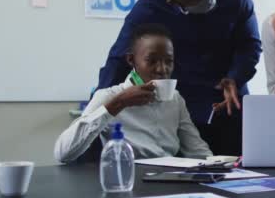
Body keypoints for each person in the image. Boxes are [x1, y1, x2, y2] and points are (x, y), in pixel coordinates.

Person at [97, 0, 262, 156]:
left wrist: (235, 76)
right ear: (172, 1)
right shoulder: (148, 10)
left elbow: (250, 45)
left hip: (229, 101)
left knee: (236, 169)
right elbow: (118, 60)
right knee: (184, 175)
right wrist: (101, 108)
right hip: (182, 109)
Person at [55, 24, 212, 163]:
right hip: (128, 179)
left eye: (168, 61)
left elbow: (196, 149)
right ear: (131, 60)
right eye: (152, 61)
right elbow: (63, 153)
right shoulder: (110, 96)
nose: (162, 69)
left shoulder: (175, 99)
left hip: (167, 181)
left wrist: (220, 168)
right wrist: (119, 103)